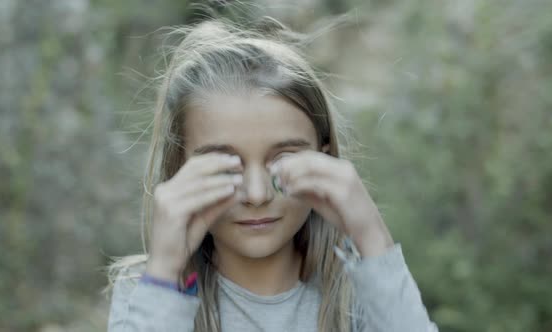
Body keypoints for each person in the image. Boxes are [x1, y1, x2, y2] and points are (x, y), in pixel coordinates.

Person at [106, 13, 439, 332]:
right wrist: (165, 272)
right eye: (226, 167)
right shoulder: (148, 294)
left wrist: (371, 235)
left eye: (283, 163)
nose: (257, 194)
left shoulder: (363, 294)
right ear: (180, 171)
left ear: (325, 160)